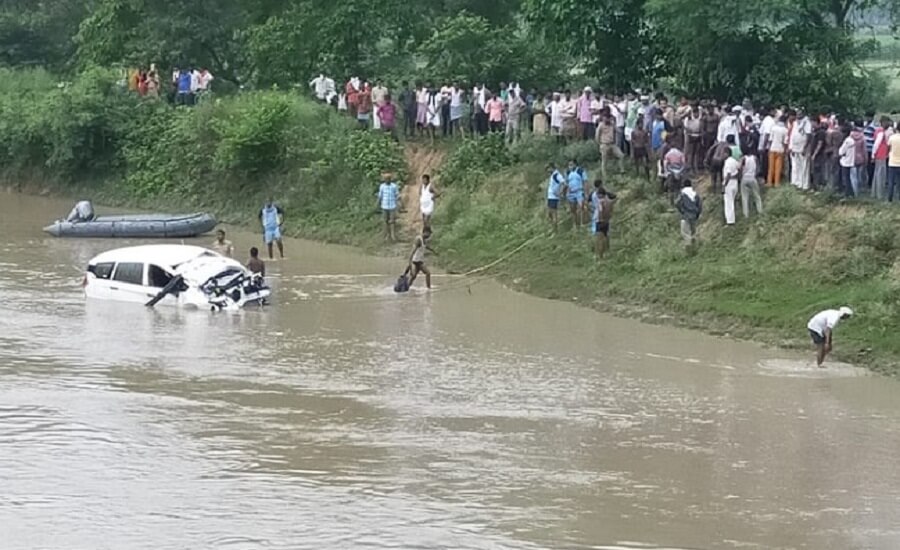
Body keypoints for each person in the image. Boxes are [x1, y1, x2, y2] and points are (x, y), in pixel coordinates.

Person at [590, 180, 617, 258]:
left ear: (600, 194)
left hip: (600, 221)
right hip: (607, 221)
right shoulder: (608, 201)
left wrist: (600, 218)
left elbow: (601, 210)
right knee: (605, 237)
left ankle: (600, 255)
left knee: (599, 239)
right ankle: (606, 252)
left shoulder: (601, 202)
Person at [596, 112, 624, 181]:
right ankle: (605, 175)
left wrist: (615, 123)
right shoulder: (601, 125)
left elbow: (619, 131)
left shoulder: (612, 124)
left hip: (612, 144)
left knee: (621, 155)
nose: (606, 119)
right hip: (604, 144)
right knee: (604, 160)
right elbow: (597, 136)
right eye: (605, 118)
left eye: (607, 118)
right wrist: (600, 144)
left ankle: (622, 170)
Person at [675, 180, 702, 249]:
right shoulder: (695, 194)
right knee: (693, 231)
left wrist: (681, 211)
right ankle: (695, 246)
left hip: (685, 216)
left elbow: (677, 203)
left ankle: (688, 246)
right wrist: (697, 214)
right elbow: (699, 206)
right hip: (694, 215)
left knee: (685, 232)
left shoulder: (682, 194)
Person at [740, 146, 763, 218]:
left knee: (744, 197)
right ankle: (760, 211)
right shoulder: (755, 158)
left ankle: (746, 214)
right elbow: (758, 168)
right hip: (752, 178)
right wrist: (755, 174)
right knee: (757, 196)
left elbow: (739, 168)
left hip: (745, 178)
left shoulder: (743, 159)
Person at [722, 139, 741, 225]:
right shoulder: (734, 161)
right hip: (735, 183)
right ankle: (732, 219)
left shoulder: (727, 162)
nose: (722, 155)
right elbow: (739, 168)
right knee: (732, 201)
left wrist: (724, 185)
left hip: (729, 184)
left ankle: (730, 222)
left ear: (727, 153)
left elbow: (728, 174)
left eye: (723, 153)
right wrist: (737, 176)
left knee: (728, 203)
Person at [376, 174, 400, 241]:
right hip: (384, 206)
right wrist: (377, 205)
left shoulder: (394, 186)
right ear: (384, 179)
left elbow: (397, 195)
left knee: (392, 221)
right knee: (385, 221)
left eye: (388, 178)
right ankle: (386, 236)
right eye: (386, 179)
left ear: (390, 179)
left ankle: (393, 236)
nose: (387, 180)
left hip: (392, 206)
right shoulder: (382, 186)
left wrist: (399, 204)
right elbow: (380, 196)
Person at [766, 116, 788, 186]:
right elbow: (785, 142)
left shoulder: (773, 128)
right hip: (780, 149)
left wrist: (768, 148)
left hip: (773, 148)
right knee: (778, 167)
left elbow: (770, 140)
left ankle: (769, 182)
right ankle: (776, 182)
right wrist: (785, 150)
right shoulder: (785, 130)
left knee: (771, 167)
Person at [564, 159, 586, 228]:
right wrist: (565, 192)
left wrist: (586, 191)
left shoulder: (580, 171)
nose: (570, 166)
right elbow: (566, 183)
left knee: (581, 207)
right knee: (573, 209)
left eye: (571, 164)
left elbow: (585, 181)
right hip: (571, 193)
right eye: (569, 165)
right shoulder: (567, 172)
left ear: (575, 164)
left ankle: (582, 223)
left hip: (579, 191)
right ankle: (574, 224)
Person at [631, 115, 651, 181]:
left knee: (645, 163)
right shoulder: (634, 132)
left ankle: (647, 177)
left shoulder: (644, 132)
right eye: (640, 124)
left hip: (643, 148)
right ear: (637, 124)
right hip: (636, 148)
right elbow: (632, 142)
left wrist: (648, 151)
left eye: (642, 124)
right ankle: (637, 175)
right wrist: (632, 152)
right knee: (637, 164)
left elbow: (647, 141)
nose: (641, 125)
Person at [546, 162, 565, 229]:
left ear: (552, 168)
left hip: (554, 197)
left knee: (554, 214)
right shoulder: (552, 175)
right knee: (549, 214)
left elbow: (564, 183)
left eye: (548, 168)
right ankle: (553, 227)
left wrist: (560, 193)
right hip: (550, 196)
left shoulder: (557, 175)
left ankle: (555, 229)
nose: (547, 170)